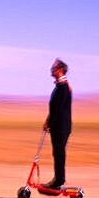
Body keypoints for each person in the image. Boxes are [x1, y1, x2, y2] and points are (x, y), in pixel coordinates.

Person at [42, 58, 72, 189]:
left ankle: (59, 180)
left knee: (59, 153)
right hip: (58, 126)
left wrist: (50, 124)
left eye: (54, 67)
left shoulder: (63, 87)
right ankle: (58, 179)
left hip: (60, 127)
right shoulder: (61, 86)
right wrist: (47, 121)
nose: (51, 69)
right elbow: (54, 108)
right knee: (57, 153)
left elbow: (58, 109)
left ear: (60, 70)